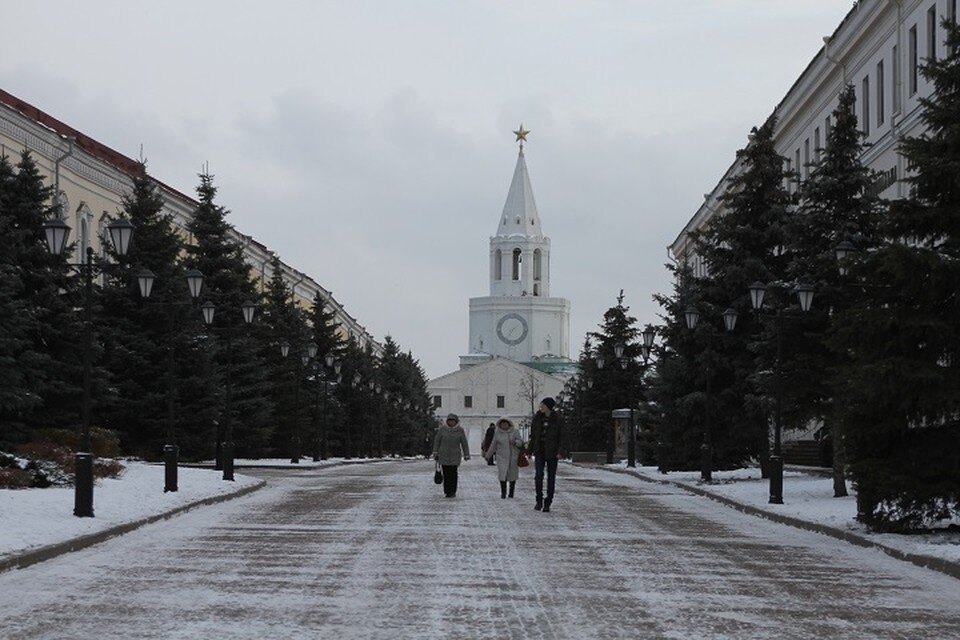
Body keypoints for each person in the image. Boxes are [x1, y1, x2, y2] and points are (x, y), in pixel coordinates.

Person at [528, 397, 564, 512]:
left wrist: (560, 451)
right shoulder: (537, 418)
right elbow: (533, 436)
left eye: (543, 405)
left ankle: (548, 501)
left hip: (552, 452)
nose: (541, 406)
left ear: (548, 406)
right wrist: (529, 451)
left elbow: (562, 437)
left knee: (551, 477)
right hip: (539, 451)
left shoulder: (558, 419)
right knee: (538, 475)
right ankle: (539, 500)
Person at [483, 417, 523, 498]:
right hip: (501, 457)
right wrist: (488, 455)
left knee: (512, 475)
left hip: (513, 457)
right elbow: (493, 445)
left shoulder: (515, 432)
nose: (504, 425)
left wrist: (515, 442)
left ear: (509, 424)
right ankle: (503, 492)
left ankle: (511, 492)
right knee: (502, 474)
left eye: (505, 423)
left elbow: (521, 443)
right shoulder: (497, 433)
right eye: (502, 423)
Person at [433, 413, 470, 497]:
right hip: (443, 455)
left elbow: (464, 443)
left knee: (453, 474)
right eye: (450, 421)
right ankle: (447, 491)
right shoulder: (442, 429)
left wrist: (466, 454)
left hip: (455, 455)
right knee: (446, 474)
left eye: (453, 421)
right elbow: (437, 441)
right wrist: (435, 451)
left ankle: (453, 491)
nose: (451, 422)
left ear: (456, 421)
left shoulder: (460, 430)